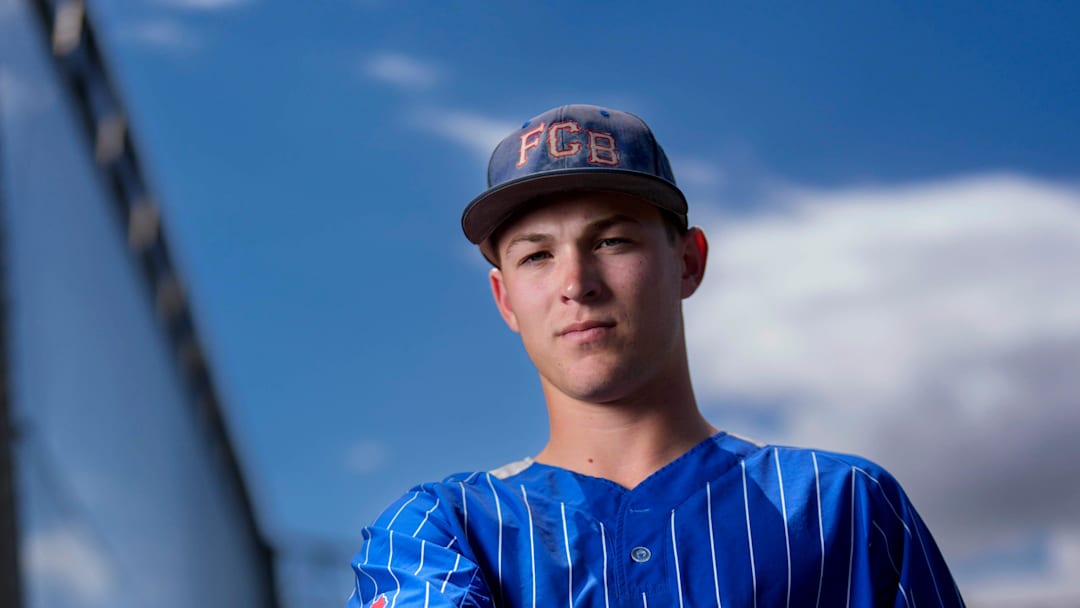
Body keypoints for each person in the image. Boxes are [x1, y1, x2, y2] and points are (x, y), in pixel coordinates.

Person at [347, 104, 964, 608]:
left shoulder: (843, 505)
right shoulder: (442, 530)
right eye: (537, 255)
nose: (576, 282)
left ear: (688, 262)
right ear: (505, 299)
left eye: (612, 240)